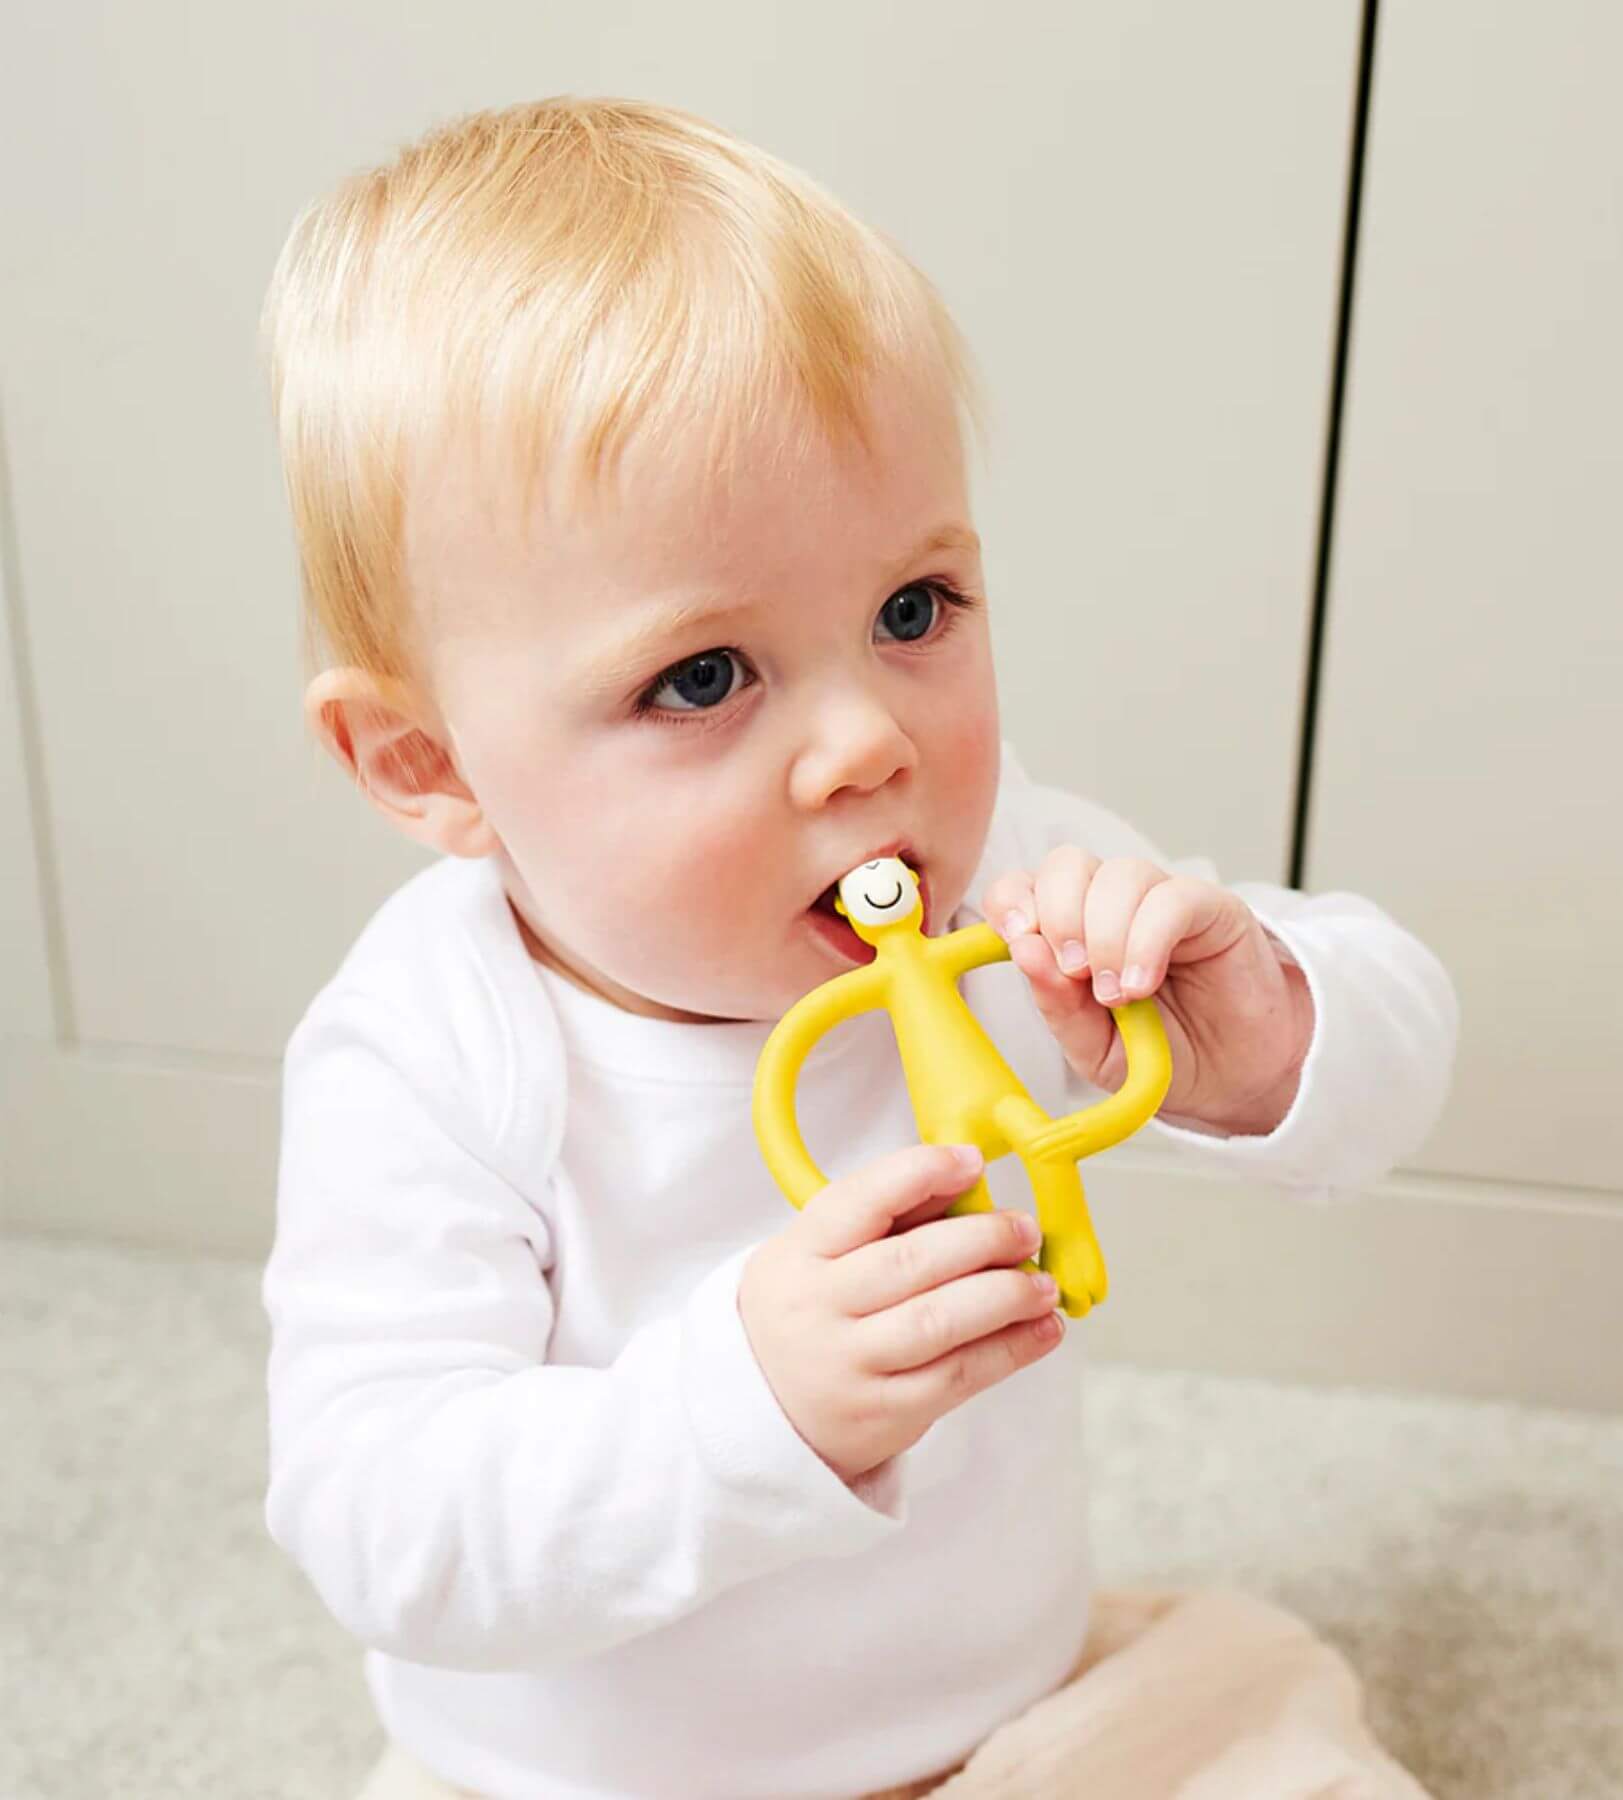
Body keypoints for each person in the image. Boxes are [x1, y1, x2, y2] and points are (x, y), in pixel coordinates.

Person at [259, 95, 1457, 1800]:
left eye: (913, 614)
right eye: (703, 678)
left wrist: (1261, 1024)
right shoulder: (430, 1047)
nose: (866, 748)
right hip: (580, 1780)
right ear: (431, 767)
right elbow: (382, 1521)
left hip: (1005, 1715)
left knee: (1265, 1724)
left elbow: (1402, 1049)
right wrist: (745, 1403)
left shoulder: (1015, 878)